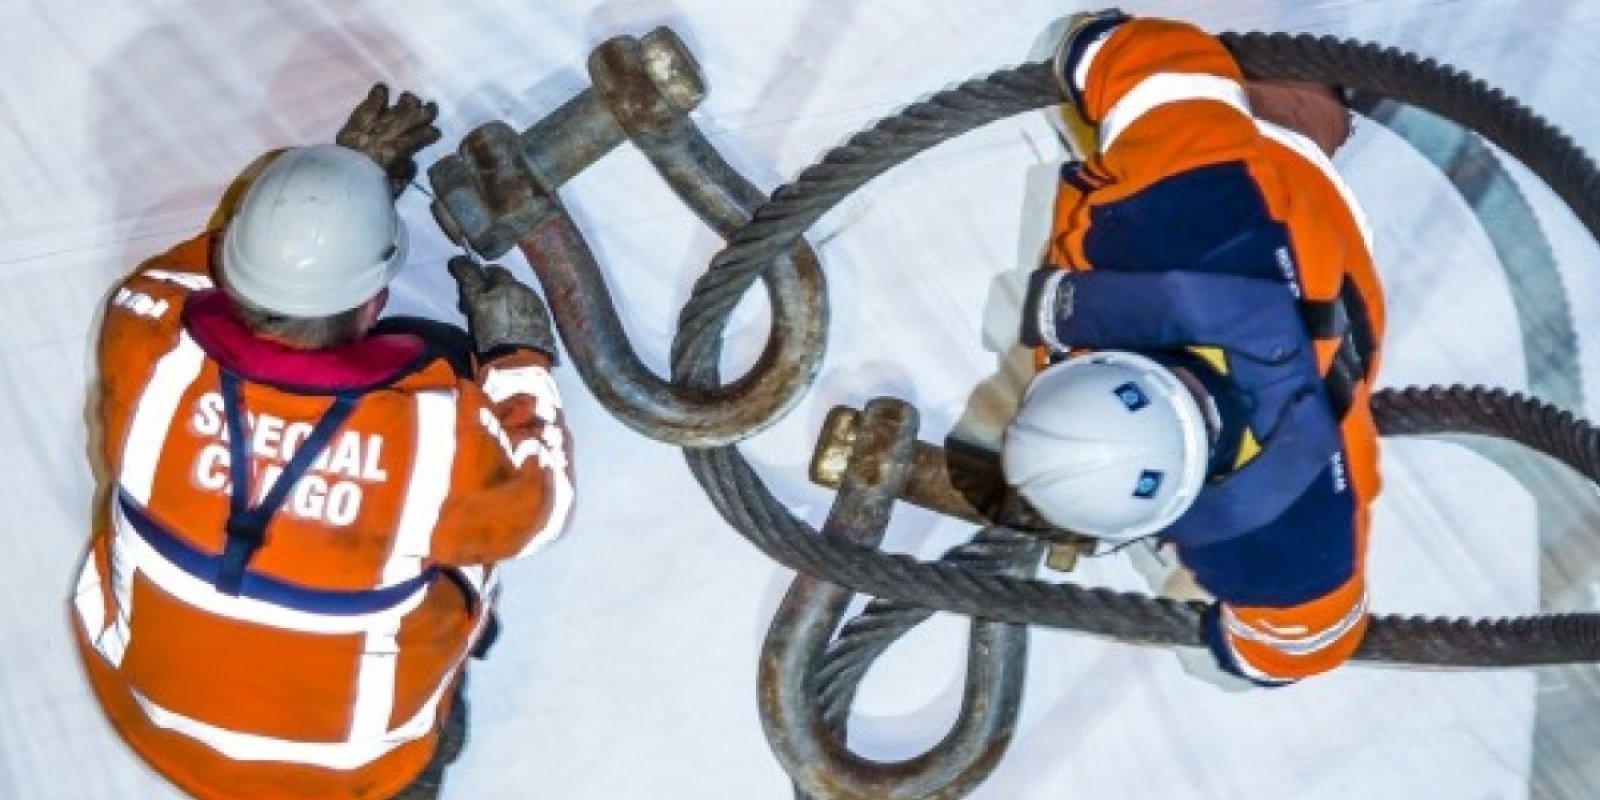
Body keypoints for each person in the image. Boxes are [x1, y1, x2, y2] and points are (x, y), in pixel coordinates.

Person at [70, 84, 576, 799]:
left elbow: (185, 277)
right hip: (354, 774)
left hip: (157, 724)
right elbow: (541, 507)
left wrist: (340, 181)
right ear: (375, 301)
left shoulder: (142, 336)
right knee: (450, 364)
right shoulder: (432, 439)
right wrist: (518, 356)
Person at [1002, 11, 1383, 686]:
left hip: (1348, 290)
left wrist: (1235, 630)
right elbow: (1160, 69)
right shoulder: (1164, 219)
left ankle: (1318, 102)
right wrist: (1090, 48)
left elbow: (1298, 648)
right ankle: (1304, 93)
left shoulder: (1288, 540)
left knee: (1288, 115)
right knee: (1265, 108)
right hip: (1283, 190)